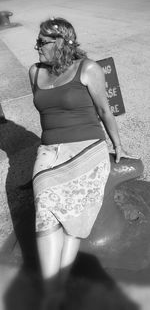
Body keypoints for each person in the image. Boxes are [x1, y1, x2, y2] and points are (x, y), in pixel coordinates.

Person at [29, 17, 130, 306]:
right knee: (46, 207)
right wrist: (52, 150)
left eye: (43, 42)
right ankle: (54, 290)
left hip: (87, 148)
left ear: (61, 43)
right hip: (50, 152)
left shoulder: (88, 68)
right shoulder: (34, 72)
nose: (36, 47)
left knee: (73, 211)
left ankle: (54, 289)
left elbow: (104, 110)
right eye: (37, 40)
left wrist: (118, 145)